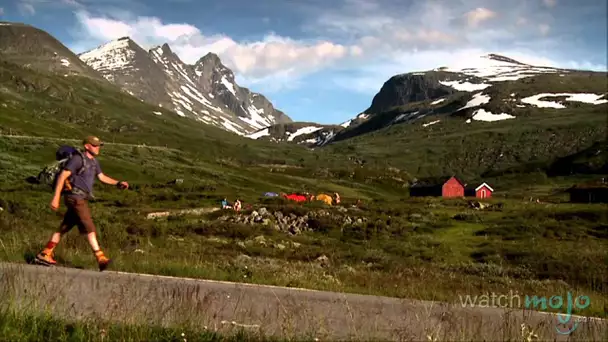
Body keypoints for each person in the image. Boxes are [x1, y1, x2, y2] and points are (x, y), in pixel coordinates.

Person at [35, 136, 129, 271]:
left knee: (64, 227)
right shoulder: (77, 159)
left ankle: (45, 253)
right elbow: (62, 176)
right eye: (95, 145)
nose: (98, 148)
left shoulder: (94, 162)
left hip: (81, 197)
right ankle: (100, 258)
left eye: (98, 145)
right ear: (87, 146)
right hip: (75, 197)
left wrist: (117, 183)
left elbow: (102, 177)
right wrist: (55, 198)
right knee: (89, 225)